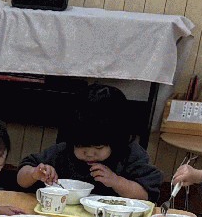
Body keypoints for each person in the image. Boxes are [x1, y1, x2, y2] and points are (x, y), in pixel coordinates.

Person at [15, 85, 168, 204]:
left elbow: (146, 195)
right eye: (81, 146)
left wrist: (116, 181)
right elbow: (21, 179)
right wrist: (35, 173)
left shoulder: (129, 154)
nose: (89, 153)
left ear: (116, 140)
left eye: (98, 147)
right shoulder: (63, 152)